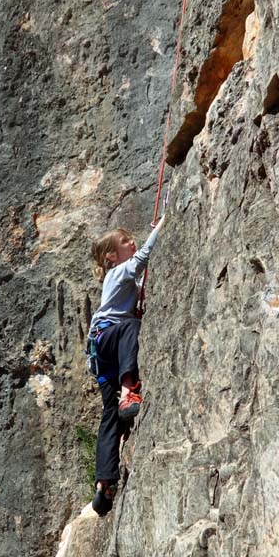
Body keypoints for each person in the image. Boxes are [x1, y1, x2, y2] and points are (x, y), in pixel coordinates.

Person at [87, 216, 165, 516]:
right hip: (111, 336)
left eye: (131, 239)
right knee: (132, 326)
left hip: (100, 353)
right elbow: (142, 258)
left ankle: (104, 483)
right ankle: (128, 391)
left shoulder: (119, 276)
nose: (132, 242)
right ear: (111, 256)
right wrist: (161, 227)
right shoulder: (118, 272)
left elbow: (140, 276)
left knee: (110, 419)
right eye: (125, 242)